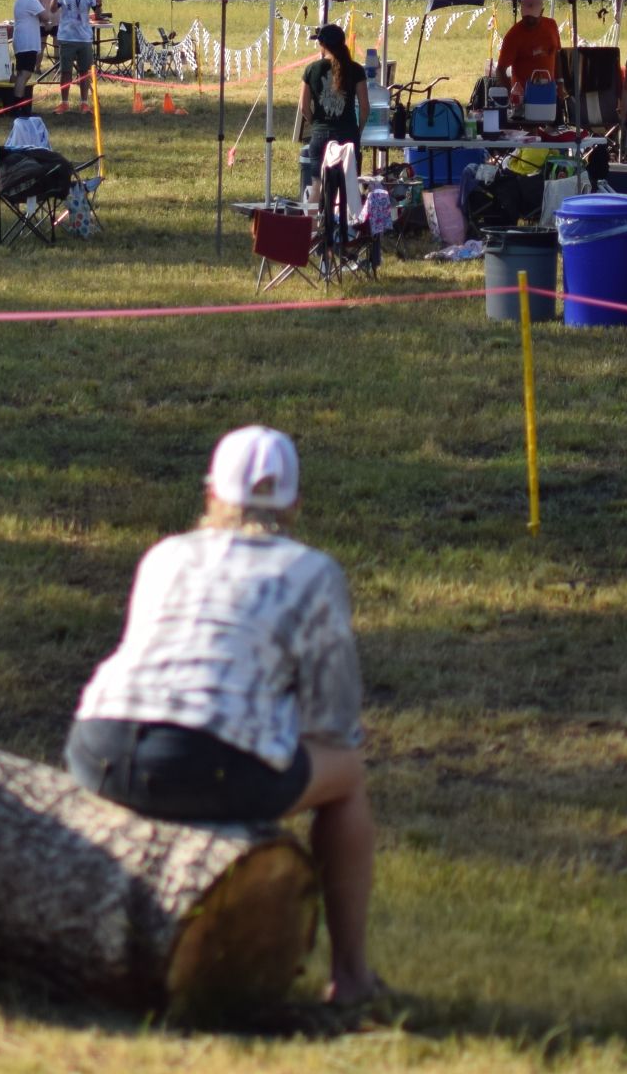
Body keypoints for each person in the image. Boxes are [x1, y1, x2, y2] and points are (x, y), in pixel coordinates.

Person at [68, 426, 380, 1008]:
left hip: (98, 746)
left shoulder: (165, 554)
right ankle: (351, 976)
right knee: (347, 774)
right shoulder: (312, 572)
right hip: (206, 762)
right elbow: (333, 722)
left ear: (211, 493)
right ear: (294, 504)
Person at [294, 22, 366, 201]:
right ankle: (345, 219)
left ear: (322, 44)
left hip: (320, 135)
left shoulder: (311, 69)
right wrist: (358, 130)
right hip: (347, 134)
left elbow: (304, 107)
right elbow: (365, 107)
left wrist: (316, 124)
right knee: (348, 188)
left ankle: (311, 219)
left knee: (317, 186)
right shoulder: (356, 69)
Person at [54, 0, 105, 103]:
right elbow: (53, 9)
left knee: (84, 72)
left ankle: (84, 102)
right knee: (65, 71)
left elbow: (98, 15)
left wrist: (99, 5)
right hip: (67, 36)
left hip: (84, 37)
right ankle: (64, 102)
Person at [494, 0, 563, 93]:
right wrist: (510, 95)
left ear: (542, 12)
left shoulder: (551, 26)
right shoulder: (513, 35)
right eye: (526, 18)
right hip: (524, 95)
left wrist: (560, 82)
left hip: (549, 92)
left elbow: (557, 54)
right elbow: (500, 70)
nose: (530, 21)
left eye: (533, 18)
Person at [8, 0, 45, 110]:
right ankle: (17, 107)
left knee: (21, 74)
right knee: (25, 74)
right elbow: (45, 16)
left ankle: (17, 103)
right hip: (27, 42)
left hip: (22, 41)